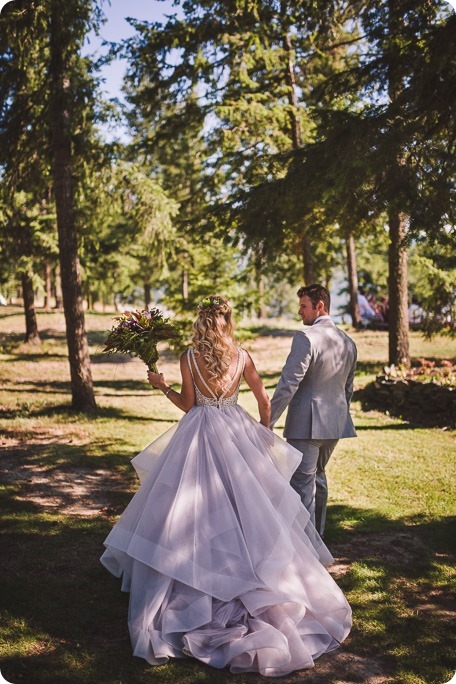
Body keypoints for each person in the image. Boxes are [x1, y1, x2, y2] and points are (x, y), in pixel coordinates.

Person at [101, 295, 351, 677]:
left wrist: (161, 386)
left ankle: (196, 569)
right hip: (237, 432)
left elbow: (188, 404)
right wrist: (263, 434)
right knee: (245, 507)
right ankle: (245, 567)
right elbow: (264, 402)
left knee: (191, 507)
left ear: (202, 321)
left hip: (199, 432)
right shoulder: (244, 356)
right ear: (227, 321)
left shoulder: (188, 358)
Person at [270, 284, 357, 537]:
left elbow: (288, 383)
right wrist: (339, 415)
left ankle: (305, 549)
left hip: (306, 425)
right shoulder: (348, 341)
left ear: (320, 306)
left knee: (301, 484)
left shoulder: (305, 337)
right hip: (335, 424)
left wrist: (269, 419)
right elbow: (347, 390)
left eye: (303, 306)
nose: (300, 312)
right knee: (318, 476)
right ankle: (317, 538)